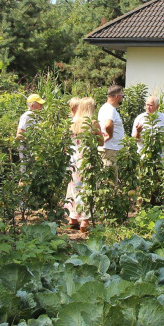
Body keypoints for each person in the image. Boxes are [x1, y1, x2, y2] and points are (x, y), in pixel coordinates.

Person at [65, 97, 98, 233]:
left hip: (72, 159)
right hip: (86, 158)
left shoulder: (72, 122)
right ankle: (84, 220)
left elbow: (66, 143)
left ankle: (72, 218)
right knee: (86, 188)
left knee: (72, 187)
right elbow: (100, 142)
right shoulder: (92, 122)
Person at [97, 84, 125, 167]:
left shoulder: (106, 108)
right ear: (117, 96)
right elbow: (108, 125)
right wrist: (109, 135)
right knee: (110, 177)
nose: (122, 98)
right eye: (122, 96)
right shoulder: (110, 109)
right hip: (111, 149)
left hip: (111, 148)